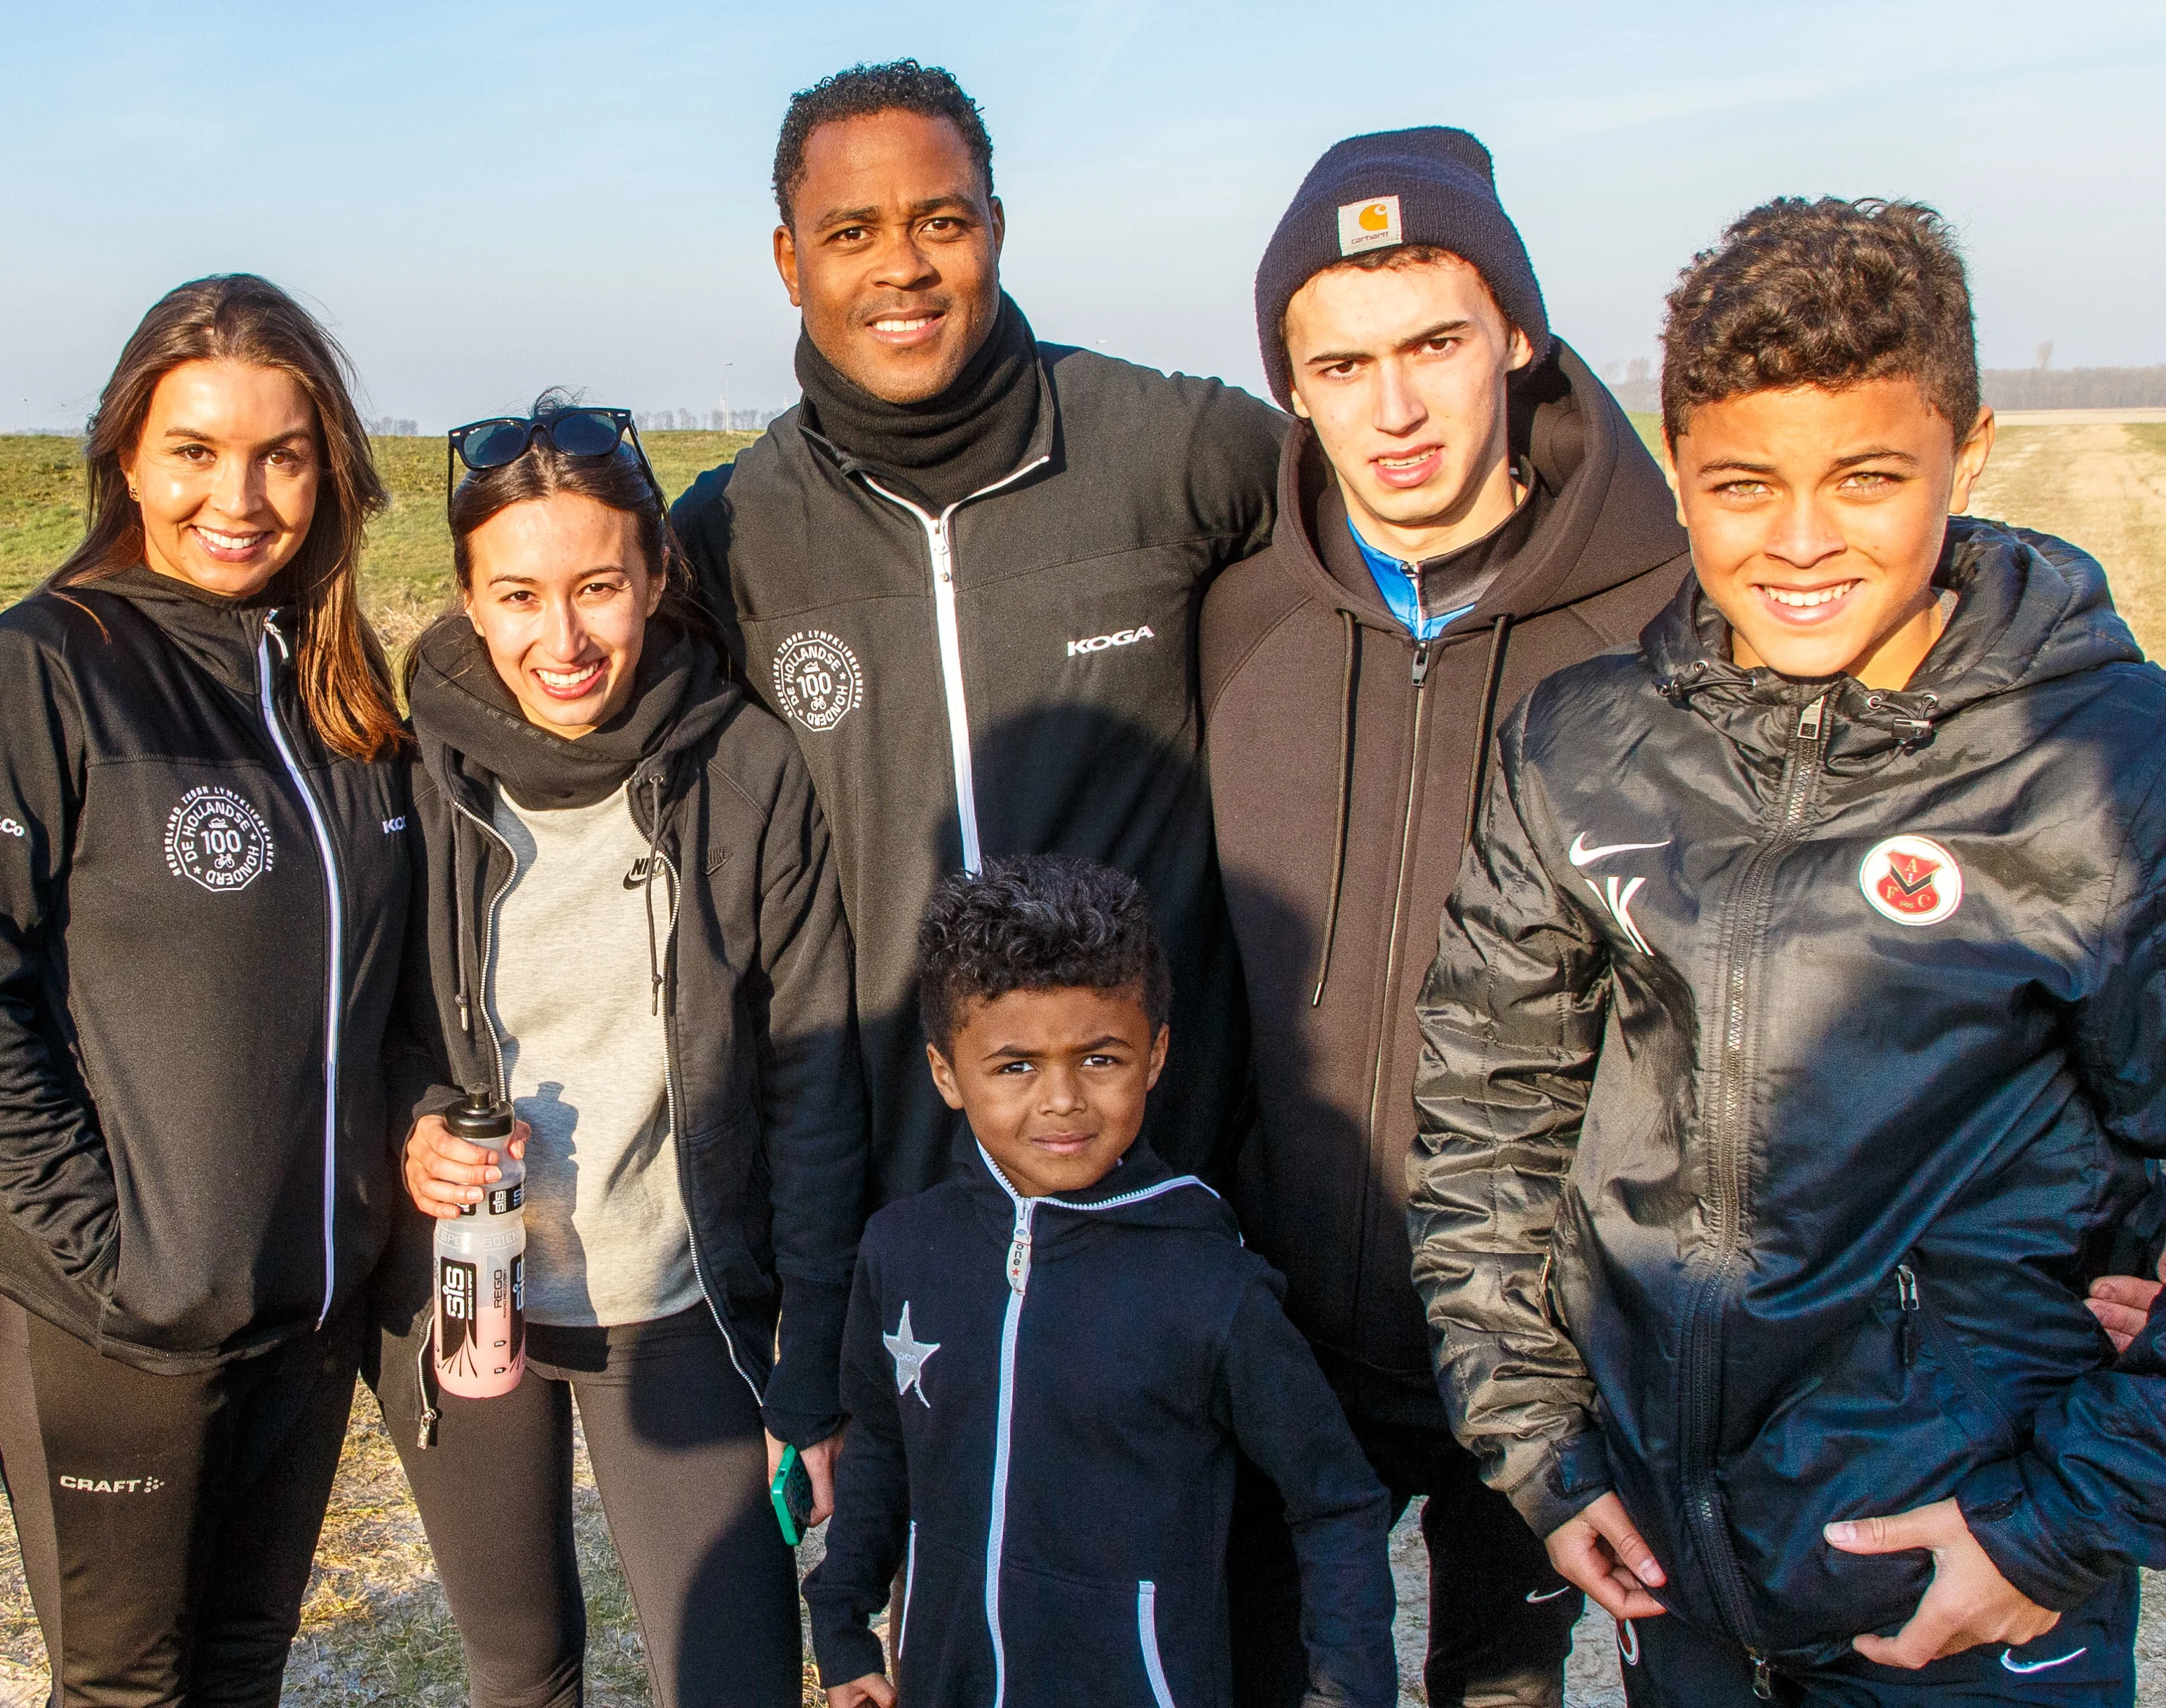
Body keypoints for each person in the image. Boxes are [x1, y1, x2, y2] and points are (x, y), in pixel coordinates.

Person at [1410, 196, 2166, 1706]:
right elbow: (1490, 1110)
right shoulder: (1586, 745)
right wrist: (1545, 1450)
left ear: (1971, 446)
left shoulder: (2108, 769)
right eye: (1744, 484)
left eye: (1870, 477)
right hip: (1673, 1572)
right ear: (1677, 471)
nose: (1803, 538)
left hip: (1964, 1588)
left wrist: (2053, 1525)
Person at [0, 275, 440, 1704]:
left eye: (282, 452)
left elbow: (375, 994)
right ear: (126, 452)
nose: (238, 495)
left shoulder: (343, 691)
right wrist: (121, 1251)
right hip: (116, 1326)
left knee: (245, 1667)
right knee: (131, 1685)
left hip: (311, 1310)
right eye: (194, 448)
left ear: (331, 469)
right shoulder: (49, 663)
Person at [1199, 128, 1689, 1707]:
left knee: (1502, 1688)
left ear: (1519, 339)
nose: (1392, 408)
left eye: (1433, 346)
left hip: (1544, 1342)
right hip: (1283, 1320)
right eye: (1339, 363)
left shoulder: (1665, 627)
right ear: (1291, 382)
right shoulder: (1244, 618)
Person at [672, 59, 1285, 1203]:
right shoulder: (730, 534)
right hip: (888, 1208)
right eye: (852, 232)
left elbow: (1413, 514)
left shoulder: (1178, 448)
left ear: (996, 227)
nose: (903, 266)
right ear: (788, 260)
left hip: (1167, 1186)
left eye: (939, 221)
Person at [374, 394, 867, 1708]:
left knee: (738, 1678)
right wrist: (412, 1119)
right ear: (471, 603)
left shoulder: (746, 770)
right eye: (519, 595)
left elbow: (815, 1084)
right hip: (473, 1303)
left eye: (598, 585)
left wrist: (808, 1371)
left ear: (656, 572)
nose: (563, 636)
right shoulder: (405, 772)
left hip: (681, 1304)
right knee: (520, 1670)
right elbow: (366, 1023)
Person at [805, 854, 1396, 1708]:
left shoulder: (1210, 1286)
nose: (1062, 1101)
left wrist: (1348, 1688)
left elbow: (1336, 1499)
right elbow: (884, 1444)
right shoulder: (902, 1249)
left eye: (1101, 1058)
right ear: (946, 1073)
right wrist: (842, 1617)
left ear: (1155, 1056)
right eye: (1014, 1066)